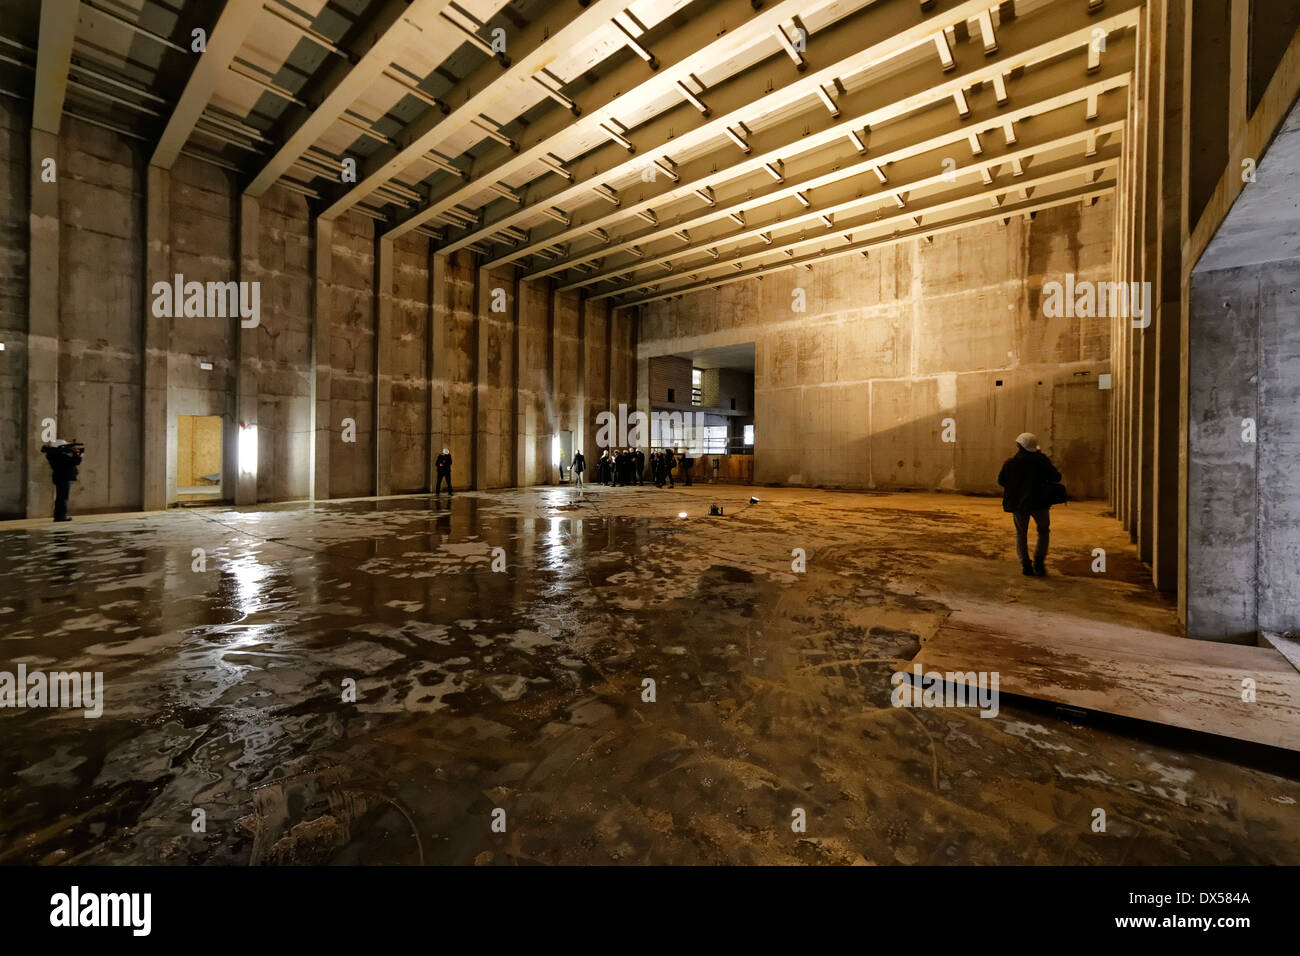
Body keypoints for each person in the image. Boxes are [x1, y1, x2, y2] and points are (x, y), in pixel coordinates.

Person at [997, 432, 1062, 577]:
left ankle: (1026, 565)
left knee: (1021, 533)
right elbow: (1056, 477)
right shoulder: (1042, 461)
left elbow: (1001, 481)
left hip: (1019, 505)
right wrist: (1041, 458)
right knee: (1043, 531)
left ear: (1018, 446)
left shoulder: (1010, 464)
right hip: (1040, 504)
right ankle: (1039, 561)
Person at [42, 439, 84, 522]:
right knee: (62, 498)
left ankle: (59, 516)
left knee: (61, 498)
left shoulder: (53, 454)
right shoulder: (59, 455)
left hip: (60, 477)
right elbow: (74, 462)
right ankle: (60, 517)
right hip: (64, 478)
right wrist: (79, 455)